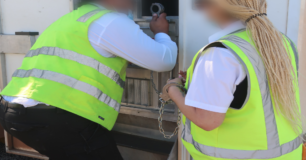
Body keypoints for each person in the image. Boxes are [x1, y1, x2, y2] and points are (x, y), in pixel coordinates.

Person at [0, 0, 177, 159]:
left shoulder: (74, 18)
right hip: (56, 118)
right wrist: (162, 33)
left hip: (14, 111)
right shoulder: (111, 21)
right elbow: (165, 60)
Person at [165, 0, 302, 159]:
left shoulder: (220, 53)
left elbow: (207, 120)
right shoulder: (281, 42)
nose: (197, 6)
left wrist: (173, 89)